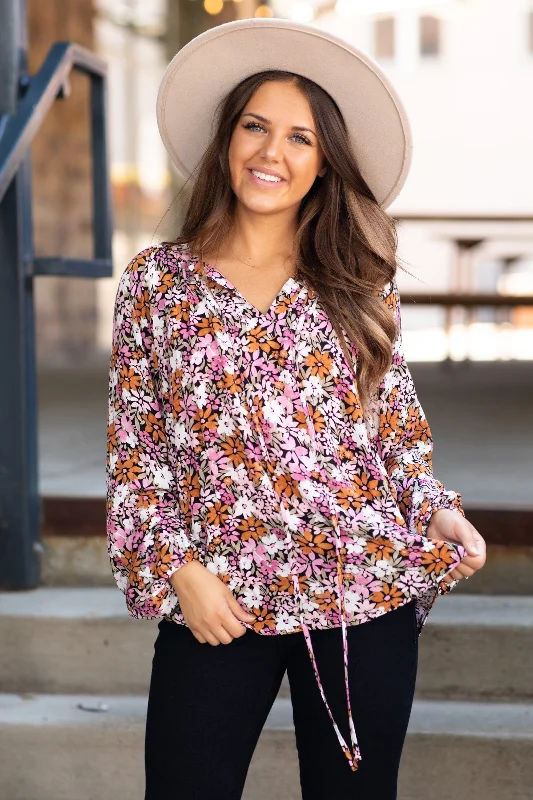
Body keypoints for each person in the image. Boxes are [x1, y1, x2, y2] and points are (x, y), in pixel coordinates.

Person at [106, 18, 486, 800]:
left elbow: (394, 439)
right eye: (254, 126)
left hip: (358, 596)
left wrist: (437, 512)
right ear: (226, 140)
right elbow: (135, 454)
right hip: (217, 596)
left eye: (300, 138)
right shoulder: (157, 283)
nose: (271, 153)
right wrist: (180, 572)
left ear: (323, 166)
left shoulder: (360, 282)